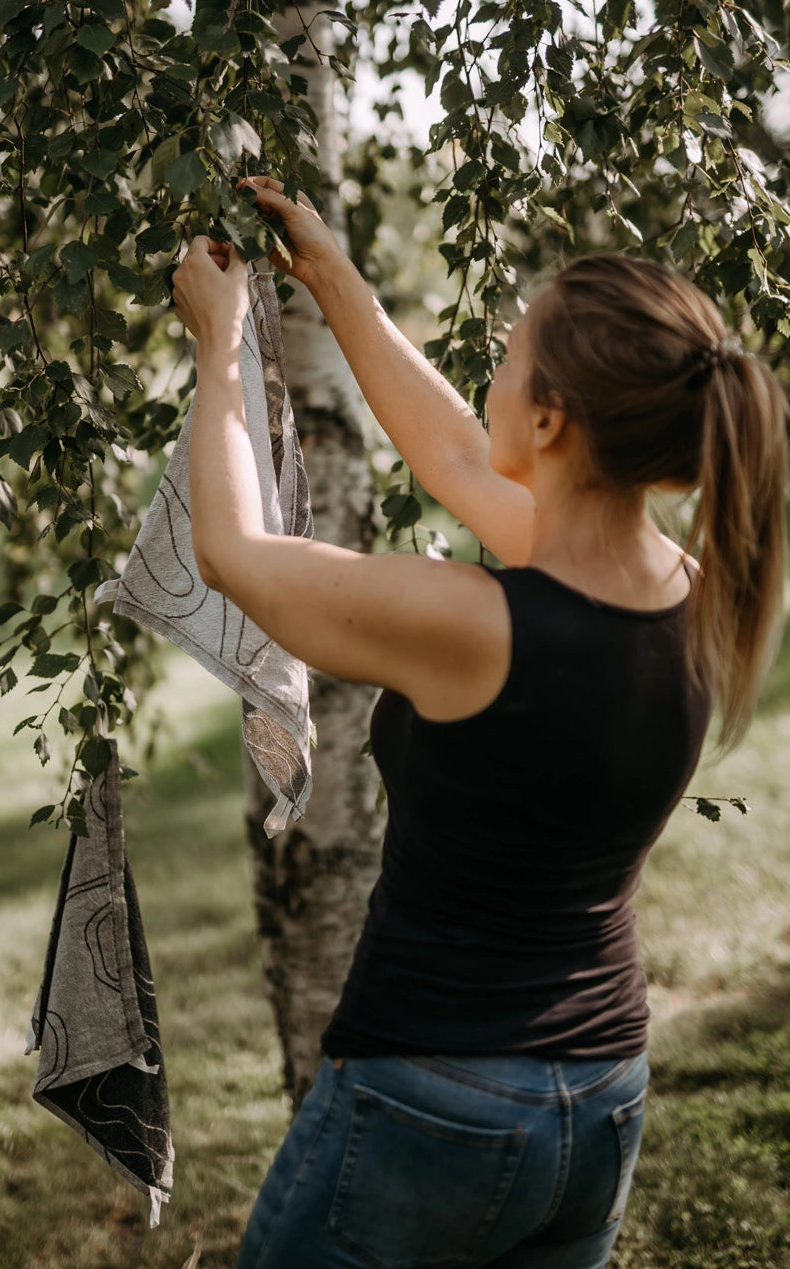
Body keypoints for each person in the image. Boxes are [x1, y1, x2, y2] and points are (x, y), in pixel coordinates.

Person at [170, 177, 787, 1269]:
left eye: (508, 354)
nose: (490, 369)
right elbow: (454, 457)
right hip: (601, 1094)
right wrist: (332, 277)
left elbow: (232, 557)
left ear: (547, 421)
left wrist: (220, 342)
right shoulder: (690, 593)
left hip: (431, 1098)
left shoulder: (470, 623)